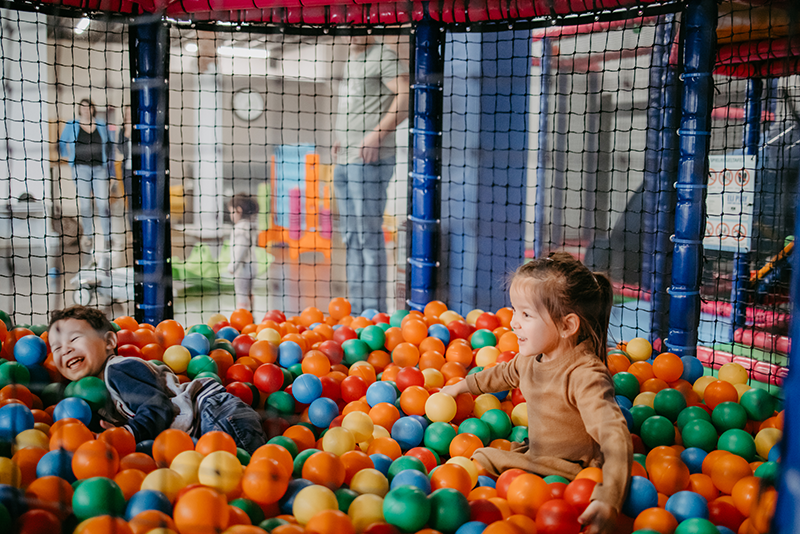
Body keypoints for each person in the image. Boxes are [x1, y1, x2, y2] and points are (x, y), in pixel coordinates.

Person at [440, 252, 632, 534]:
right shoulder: (533, 358)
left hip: (569, 472)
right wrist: (463, 385)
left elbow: (614, 435)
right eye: (515, 311)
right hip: (536, 456)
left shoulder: (584, 375)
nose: (514, 322)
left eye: (526, 314)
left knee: (481, 458)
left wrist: (608, 497)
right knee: (483, 458)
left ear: (567, 325)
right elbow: (503, 374)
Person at [48, 306, 266, 453]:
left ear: (109, 341)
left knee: (247, 468)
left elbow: (156, 406)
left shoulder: (119, 369)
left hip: (213, 412)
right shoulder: (82, 393)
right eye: (57, 347)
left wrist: (126, 434)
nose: (65, 350)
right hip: (194, 432)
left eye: (74, 339)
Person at [332, 35, 409, 313]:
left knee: (367, 237)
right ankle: (356, 313)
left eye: (356, 26)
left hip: (369, 160)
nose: (350, 32)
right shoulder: (353, 58)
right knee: (351, 237)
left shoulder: (382, 55)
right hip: (345, 158)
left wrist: (376, 136)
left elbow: (406, 96)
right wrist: (344, 136)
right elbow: (356, 104)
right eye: (346, 26)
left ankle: (372, 315)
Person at [58, 99, 113, 256]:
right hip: (80, 169)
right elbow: (62, 142)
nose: (85, 110)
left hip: (99, 169)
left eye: (88, 107)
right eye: (82, 107)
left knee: (103, 204)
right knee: (85, 204)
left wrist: (110, 169)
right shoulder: (72, 124)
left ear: (92, 109)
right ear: (79, 110)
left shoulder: (101, 124)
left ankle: (108, 237)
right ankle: (88, 236)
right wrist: (68, 157)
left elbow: (109, 146)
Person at [227, 194, 260, 311]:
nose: (231, 215)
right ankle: (251, 314)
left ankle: (243, 317)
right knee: (249, 292)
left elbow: (240, 248)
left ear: (238, 210)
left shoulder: (240, 228)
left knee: (241, 293)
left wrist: (232, 266)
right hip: (252, 265)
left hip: (243, 267)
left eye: (231, 212)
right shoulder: (250, 225)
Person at [117, 106, 133, 228]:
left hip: (141, 171)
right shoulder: (122, 131)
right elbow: (120, 149)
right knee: (131, 201)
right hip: (127, 170)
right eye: (126, 113)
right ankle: (132, 230)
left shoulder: (141, 128)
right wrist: (127, 134)